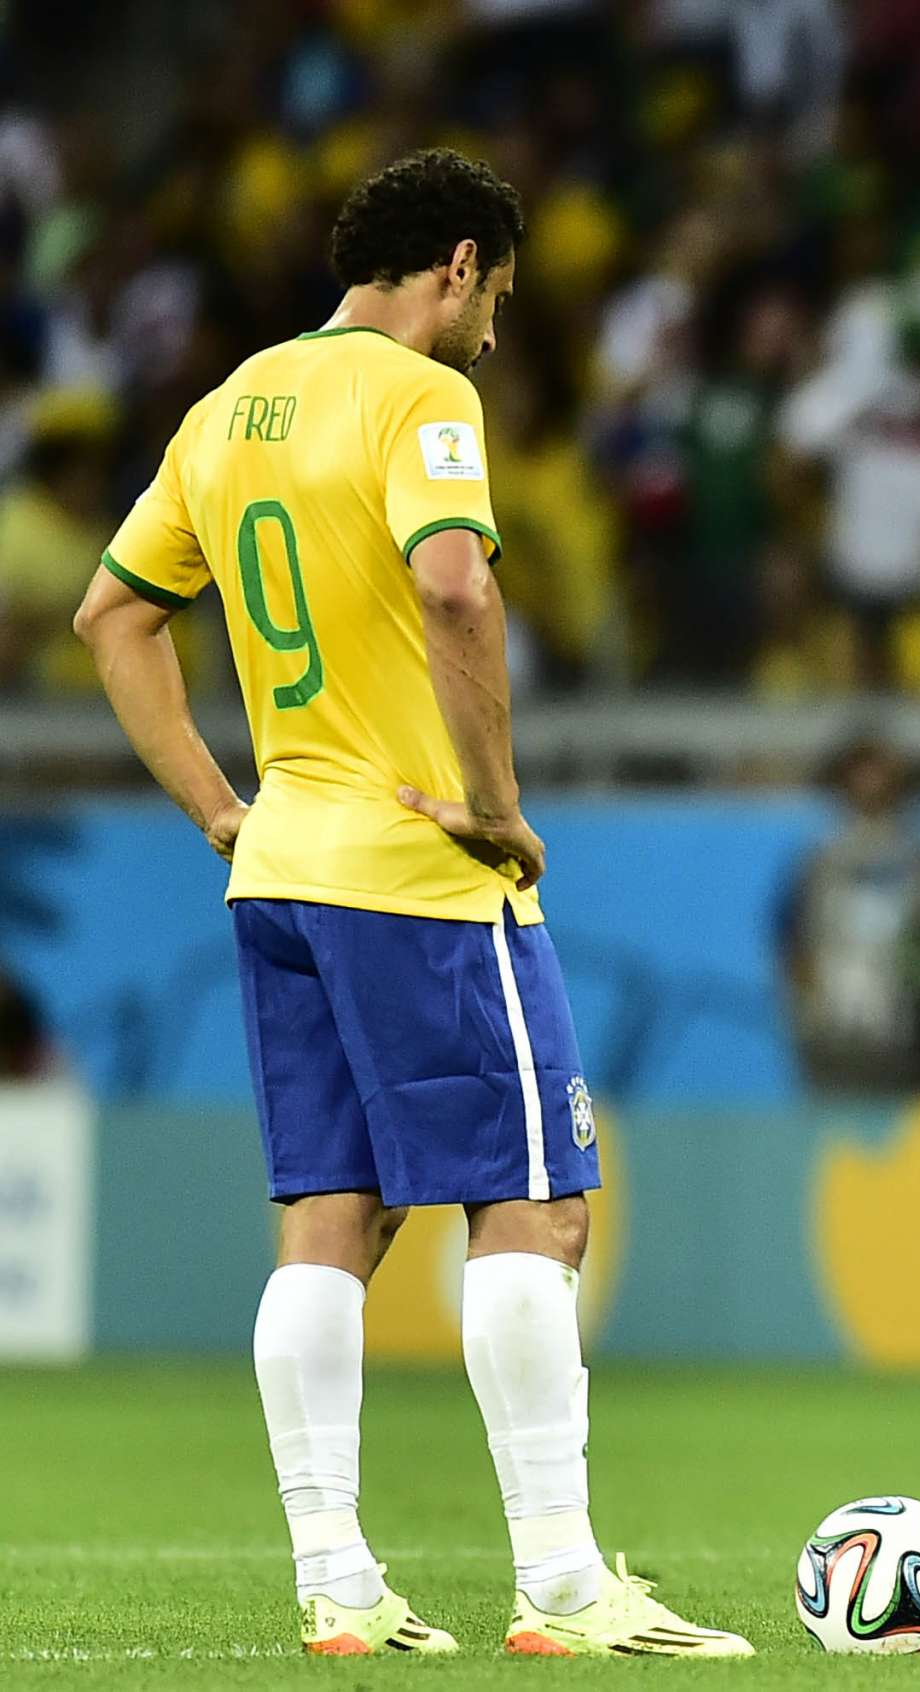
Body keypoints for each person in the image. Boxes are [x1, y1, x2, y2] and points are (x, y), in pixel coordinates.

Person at [70, 150, 747, 1658]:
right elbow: (456, 588)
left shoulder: (227, 404)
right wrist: (498, 807)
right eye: (494, 296)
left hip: (284, 867)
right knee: (536, 1207)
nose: (493, 332)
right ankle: (566, 1590)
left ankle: (338, 1587)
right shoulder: (422, 399)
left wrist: (218, 809)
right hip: (417, 869)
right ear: (457, 265)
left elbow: (112, 614)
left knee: (330, 1217)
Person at [778, 737, 920, 1091]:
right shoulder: (816, 862)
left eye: (882, 773)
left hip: (910, 1033)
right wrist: (809, 1012)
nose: (872, 784)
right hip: (833, 1036)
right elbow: (794, 946)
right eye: (861, 773)